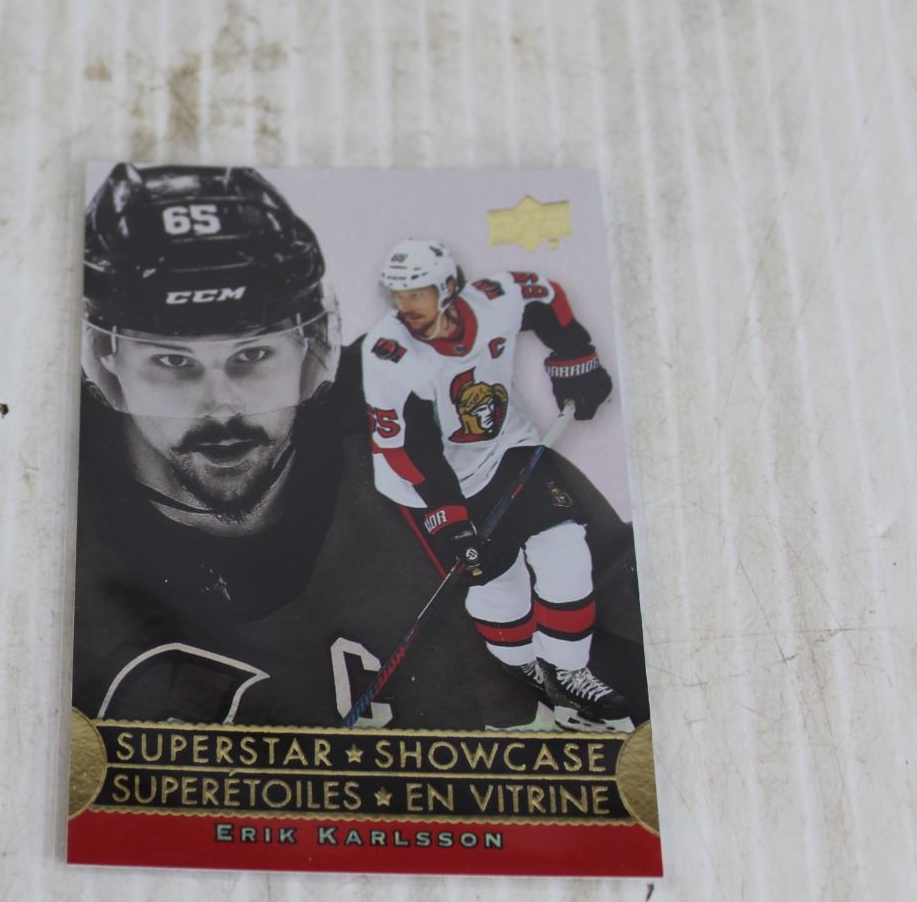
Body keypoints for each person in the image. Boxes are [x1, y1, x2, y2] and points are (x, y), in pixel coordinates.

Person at [71, 164, 647, 731]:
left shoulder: (421, 416)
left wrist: (573, 351)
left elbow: (636, 638)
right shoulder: (53, 509)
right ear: (106, 359)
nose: (221, 408)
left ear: (312, 346)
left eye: (253, 355)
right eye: (172, 361)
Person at [360, 239, 631, 730]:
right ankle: (523, 665)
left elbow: (545, 296)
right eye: (397, 296)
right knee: (498, 579)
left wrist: (576, 358)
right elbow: (408, 451)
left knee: (565, 547)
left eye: (416, 293)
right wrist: (450, 517)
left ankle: (569, 671)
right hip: (429, 483)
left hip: (508, 448)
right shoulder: (390, 355)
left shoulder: (494, 299)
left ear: (448, 287)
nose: (405, 307)